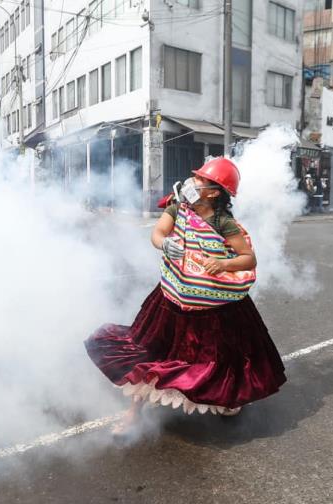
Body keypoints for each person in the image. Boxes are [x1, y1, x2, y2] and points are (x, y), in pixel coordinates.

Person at [84, 158, 287, 435]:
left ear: (214, 192)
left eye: (201, 180)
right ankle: (133, 414)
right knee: (150, 351)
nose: (193, 182)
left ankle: (227, 399)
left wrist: (224, 264)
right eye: (196, 177)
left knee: (224, 361)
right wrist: (165, 244)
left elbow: (248, 259)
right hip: (171, 296)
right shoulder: (178, 207)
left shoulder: (224, 222)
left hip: (214, 305)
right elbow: (158, 233)